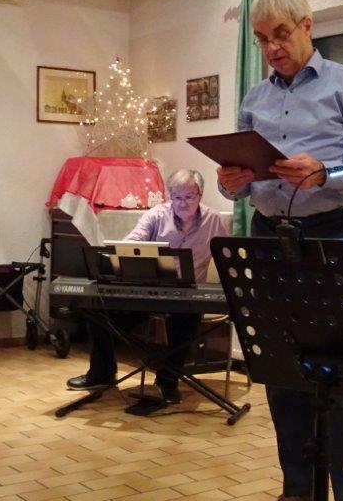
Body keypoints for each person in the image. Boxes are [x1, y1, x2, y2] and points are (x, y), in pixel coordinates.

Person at [217, 0, 343, 501]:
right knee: (281, 369)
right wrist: (232, 182)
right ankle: (299, 490)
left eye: (280, 35)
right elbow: (240, 178)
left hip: (333, 235)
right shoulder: (254, 97)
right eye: (261, 40)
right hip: (269, 237)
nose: (272, 48)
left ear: (306, 26)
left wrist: (327, 172)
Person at [66, 169, 227, 410]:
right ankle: (101, 373)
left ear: (200, 195)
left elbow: (225, 256)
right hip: (151, 291)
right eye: (177, 197)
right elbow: (131, 244)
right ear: (170, 196)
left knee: (186, 321)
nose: (183, 203)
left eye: (189, 197)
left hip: (188, 294)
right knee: (98, 312)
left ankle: (168, 382)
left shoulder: (213, 221)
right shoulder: (156, 215)